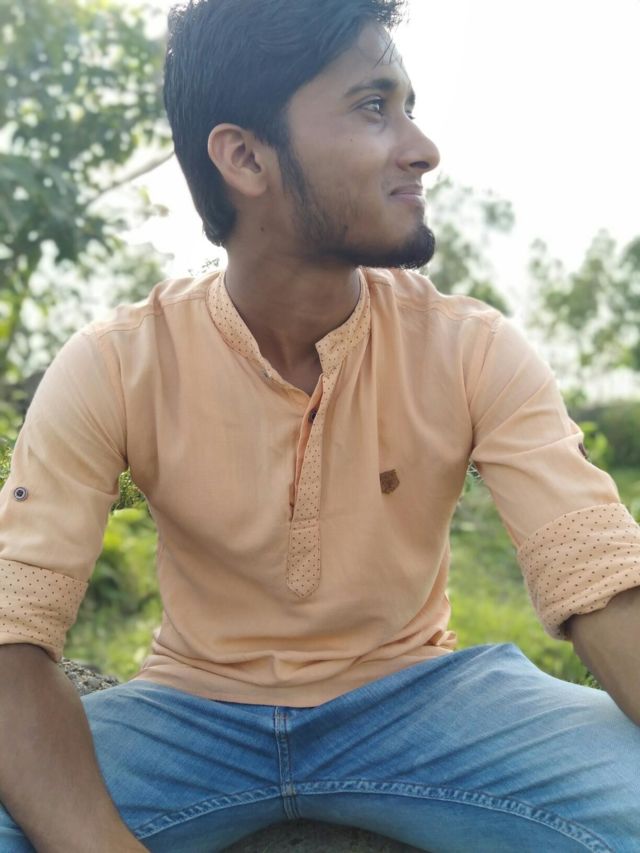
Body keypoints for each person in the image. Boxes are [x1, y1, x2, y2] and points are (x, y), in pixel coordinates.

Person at [1, 0, 639, 850]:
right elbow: (12, 633)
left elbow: (598, 578)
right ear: (245, 156)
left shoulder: (472, 348)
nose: (423, 147)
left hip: (424, 706)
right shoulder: (116, 362)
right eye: (374, 107)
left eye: (409, 107)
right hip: (190, 716)